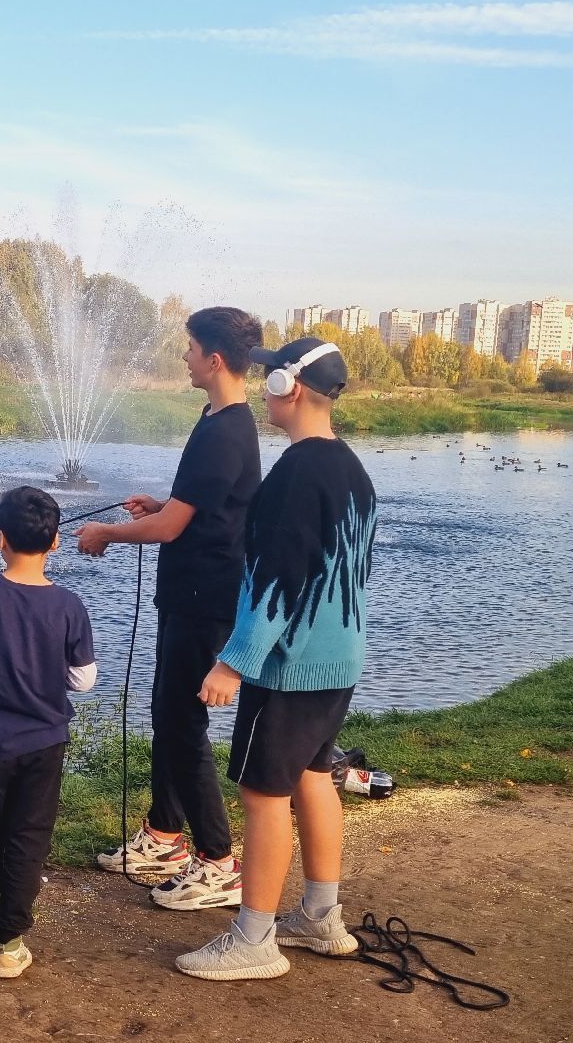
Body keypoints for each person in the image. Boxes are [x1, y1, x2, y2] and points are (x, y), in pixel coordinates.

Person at [174, 335, 377, 982]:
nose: (263, 391)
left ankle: (253, 940)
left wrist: (235, 661)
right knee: (313, 777)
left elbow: (279, 581)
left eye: (268, 380)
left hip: (290, 667)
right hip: (338, 660)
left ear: (287, 388)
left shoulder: (296, 472)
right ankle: (321, 916)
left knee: (262, 792)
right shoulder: (351, 467)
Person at [75, 307, 263, 911]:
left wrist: (107, 533)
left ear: (213, 358)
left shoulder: (227, 429)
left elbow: (173, 528)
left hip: (205, 597)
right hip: (189, 591)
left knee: (182, 723)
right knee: (167, 714)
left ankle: (217, 860)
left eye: (188, 349)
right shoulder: (216, 419)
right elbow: (200, 508)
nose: (182, 358)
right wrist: (160, 503)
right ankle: (164, 835)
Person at [0, 486, 97, 979]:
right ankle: (10, 943)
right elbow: (83, 679)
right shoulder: (69, 605)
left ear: (0, 539)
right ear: (55, 543)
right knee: (28, 839)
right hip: (44, 743)